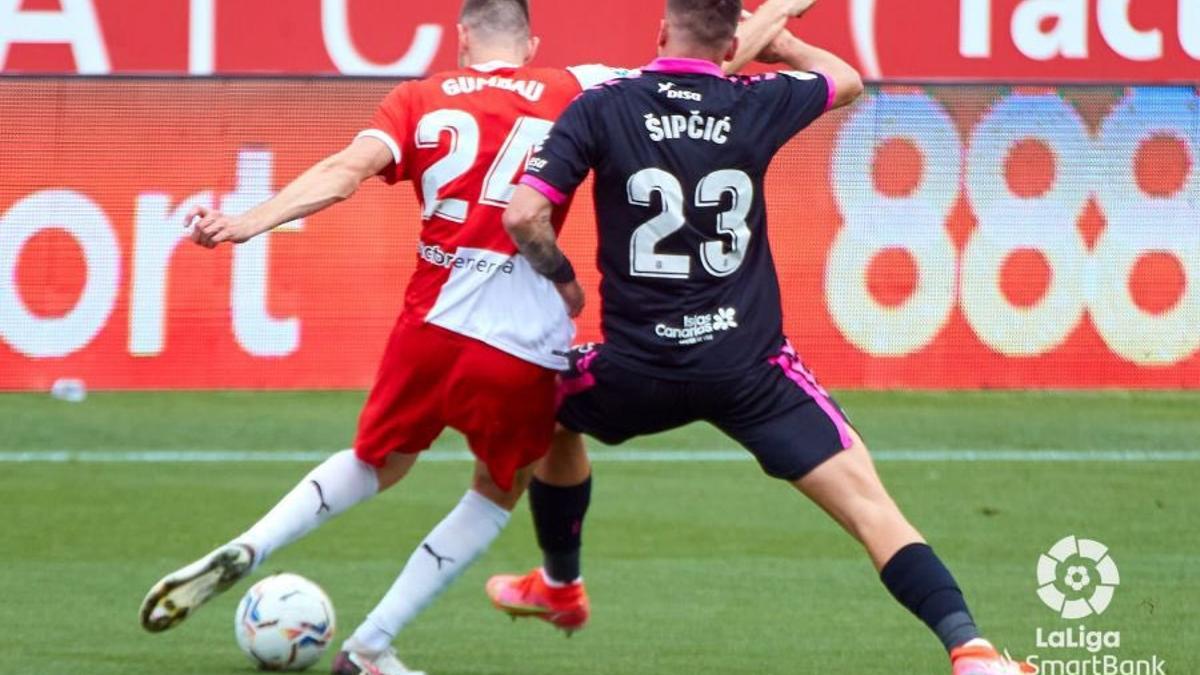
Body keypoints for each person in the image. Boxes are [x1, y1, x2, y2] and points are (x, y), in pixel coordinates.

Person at [136, 1, 798, 674]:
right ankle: (370, 645)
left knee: (377, 460)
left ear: (461, 40)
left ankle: (253, 543)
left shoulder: (417, 97)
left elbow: (343, 173)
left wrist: (249, 222)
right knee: (497, 488)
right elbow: (701, 71)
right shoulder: (579, 84)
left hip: (430, 323)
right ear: (531, 42)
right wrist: (781, 8)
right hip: (518, 341)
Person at [488, 1, 1034, 673]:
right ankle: (970, 647)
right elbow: (848, 78)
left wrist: (564, 282)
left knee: (541, 403)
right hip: (750, 368)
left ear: (662, 31)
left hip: (636, 366)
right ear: (734, 44)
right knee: (871, 506)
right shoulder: (757, 100)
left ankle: (559, 584)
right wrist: (786, 43)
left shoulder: (607, 104)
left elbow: (524, 214)